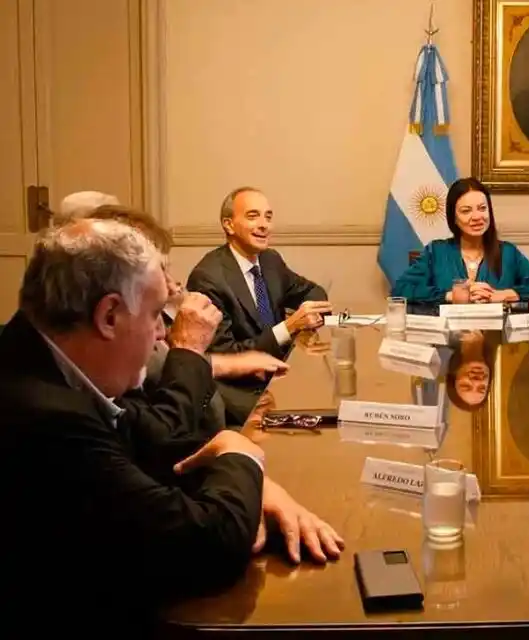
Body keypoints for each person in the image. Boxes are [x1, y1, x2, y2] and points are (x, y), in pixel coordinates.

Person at [0, 219, 265, 631]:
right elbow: (210, 548)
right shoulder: (46, 416)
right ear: (109, 315)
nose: (162, 332)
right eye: (157, 314)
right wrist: (240, 457)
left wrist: (248, 473)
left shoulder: (32, 352)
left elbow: (145, 435)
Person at [86, 204, 289, 431]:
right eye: (160, 271)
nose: (172, 284)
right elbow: (163, 430)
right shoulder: (208, 276)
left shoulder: (271, 261)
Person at [187, 186, 332, 423]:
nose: (264, 225)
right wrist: (290, 327)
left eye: (268, 216)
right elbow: (225, 355)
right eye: (253, 216)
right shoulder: (208, 277)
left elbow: (314, 292)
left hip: (282, 373)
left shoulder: (270, 260)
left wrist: (307, 324)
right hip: (243, 390)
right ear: (229, 225)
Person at [392, 177, 529, 303]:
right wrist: (451, 295)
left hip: (499, 341)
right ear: (453, 218)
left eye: (482, 209)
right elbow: (400, 290)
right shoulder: (436, 251)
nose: (477, 217)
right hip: (447, 343)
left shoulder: (507, 252)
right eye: (466, 211)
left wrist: (503, 294)